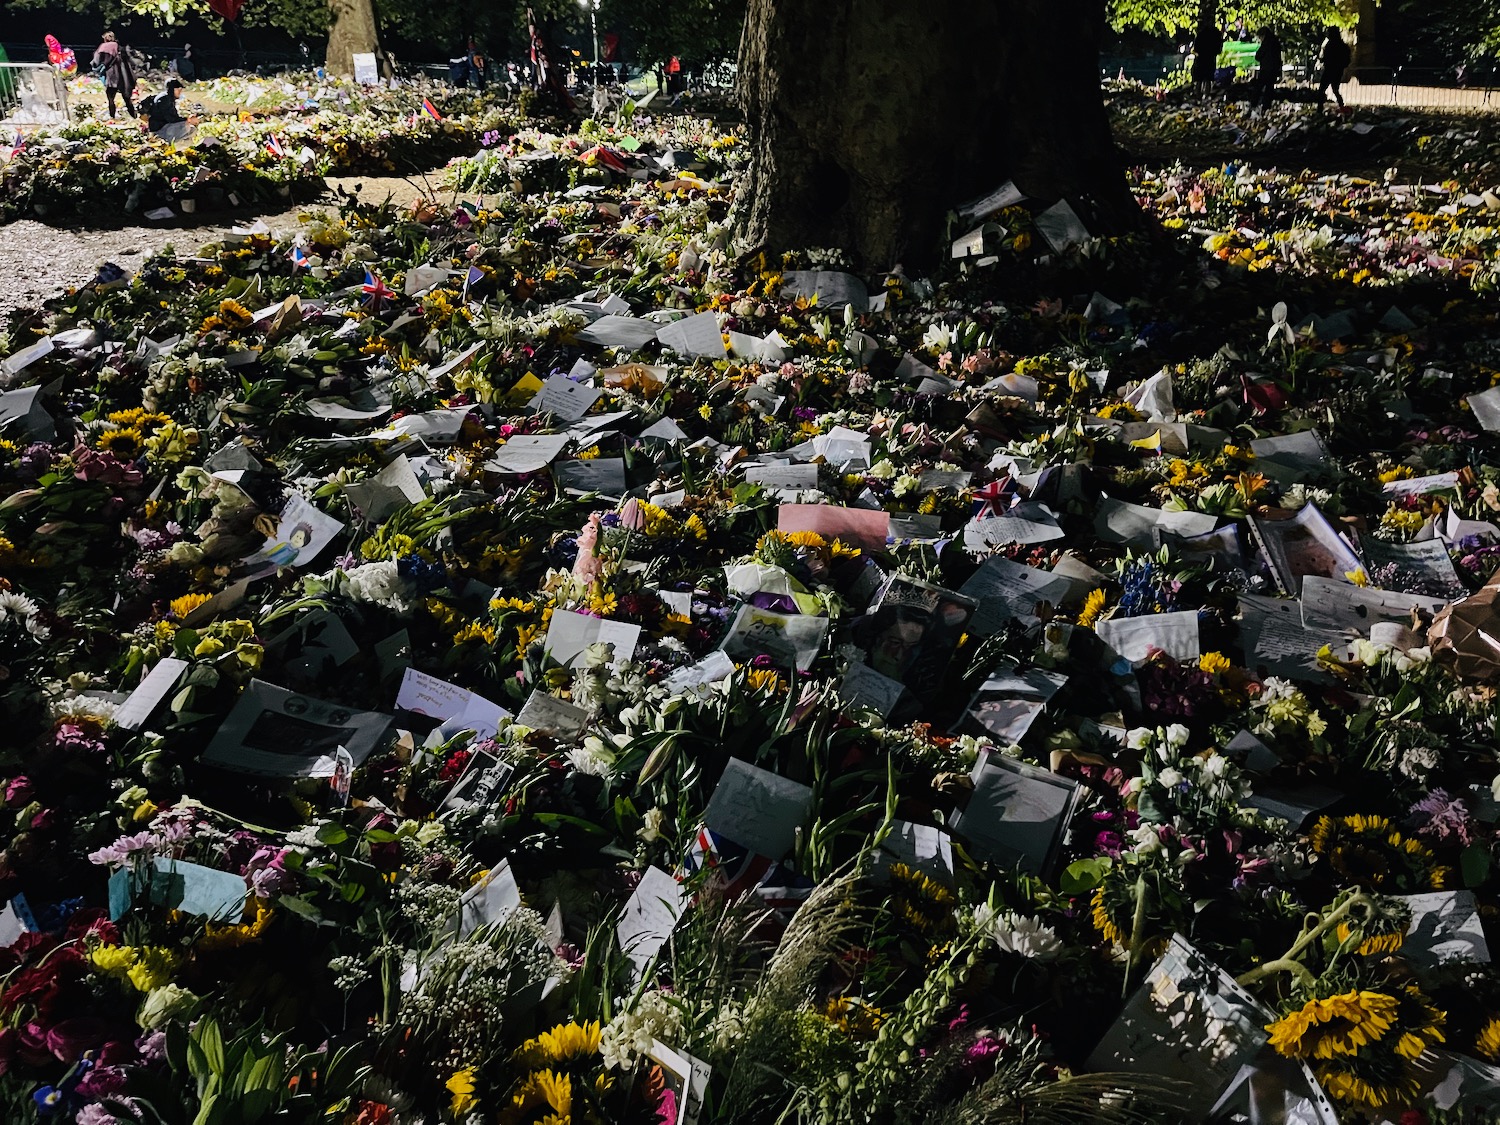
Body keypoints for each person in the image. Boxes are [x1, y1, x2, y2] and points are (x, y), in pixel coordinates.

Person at [92, 31, 137, 121]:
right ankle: (134, 117)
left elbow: (96, 60)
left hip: (112, 76)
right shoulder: (120, 48)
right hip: (124, 77)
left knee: (111, 99)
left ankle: (112, 118)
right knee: (127, 99)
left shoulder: (103, 47)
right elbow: (131, 62)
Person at [141, 78, 198, 143]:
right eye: (178, 90)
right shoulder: (164, 100)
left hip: (164, 127)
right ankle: (168, 141)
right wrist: (188, 119)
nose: (180, 92)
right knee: (185, 125)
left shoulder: (168, 98)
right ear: (171, 89)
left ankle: (182, 143)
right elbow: (171, 118)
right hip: (159, 129)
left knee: (192, 129)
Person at [1317, 26, 1351, 109]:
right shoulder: (1342, 45)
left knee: (1323, 89)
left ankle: (1320, 108)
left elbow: (1328, 57)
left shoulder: (1330, 45)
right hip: (1337, 70)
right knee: (1334, 89)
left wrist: (1323, 60)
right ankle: (1341, 105)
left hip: (1330, 70)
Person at [1254, 27, 1281, 109]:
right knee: (1269, 89)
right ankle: (1266, 106)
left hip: (1265, 69)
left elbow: (1258, 56)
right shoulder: (1276, 42)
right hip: (1274, 69)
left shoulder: (1266, 43)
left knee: (1259, 88)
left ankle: (1254, 104)